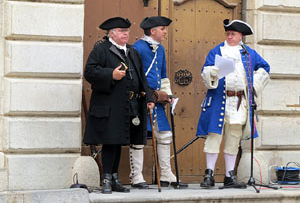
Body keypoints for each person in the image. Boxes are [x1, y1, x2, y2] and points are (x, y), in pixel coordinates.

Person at [83, 17, 155, 194]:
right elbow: (89, 72)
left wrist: (149, 97)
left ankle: (115, 178)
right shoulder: (101, 50)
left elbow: (141, 76)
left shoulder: (131, 52)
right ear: (112, 33)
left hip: (128, 105)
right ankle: (107, 178)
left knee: (120, 141)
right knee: (110, 140)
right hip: (109, 104)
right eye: (122, 32)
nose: (126, 35)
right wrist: (110, 74)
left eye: (127, 32)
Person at [196, 19, 270, 188]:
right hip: (218, 101)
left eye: (233, 34)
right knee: (214, 137)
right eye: (228, 34)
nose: (229, 37)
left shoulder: (249, 53)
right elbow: (205, 71)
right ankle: (209, 174)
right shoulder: (217, 51)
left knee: (234, 138)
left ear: (240, 36)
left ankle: (230, 175)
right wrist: (212, 72)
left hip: (239, 103)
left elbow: (265, 68)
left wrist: (253, 84)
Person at [129, 16, 188, 189]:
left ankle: (166, 174)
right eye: (162, 29)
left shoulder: (160, 49)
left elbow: (163, 76)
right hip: (142, 100)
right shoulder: (137, 48)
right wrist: (148, 97)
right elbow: (135, 76)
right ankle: (136, 176)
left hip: (158, 102)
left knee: (165, 135)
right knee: (139, 138)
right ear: (152, 31)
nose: (165, 32)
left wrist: (168, 96)